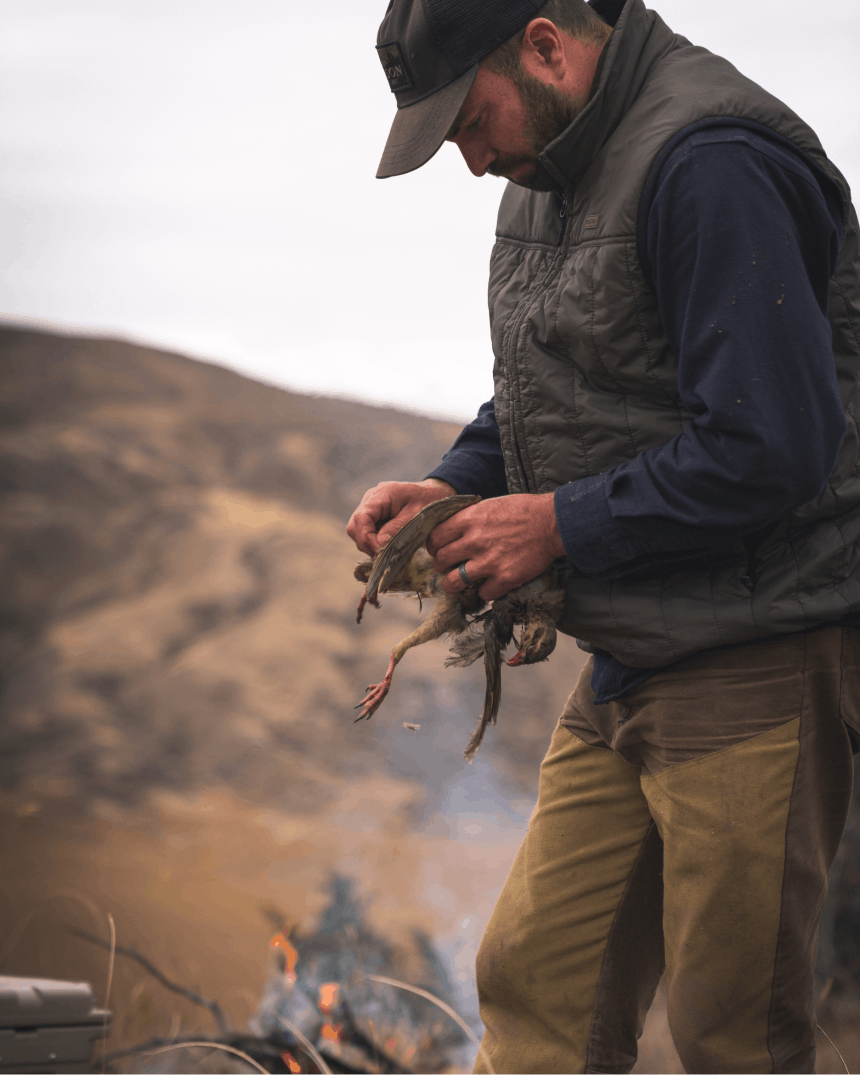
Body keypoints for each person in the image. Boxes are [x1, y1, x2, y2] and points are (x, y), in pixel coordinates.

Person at [346, 0, 860, 1071]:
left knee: (733, 1034)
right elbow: (559, 396)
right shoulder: (549, 175)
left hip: (751, 660)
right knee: (537, 982)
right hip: (632, 657)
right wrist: (450, 482)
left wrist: (558, 524)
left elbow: (773, 443)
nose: (471, 161)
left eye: (470, 122)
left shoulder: (710, 161)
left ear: (543, 45)